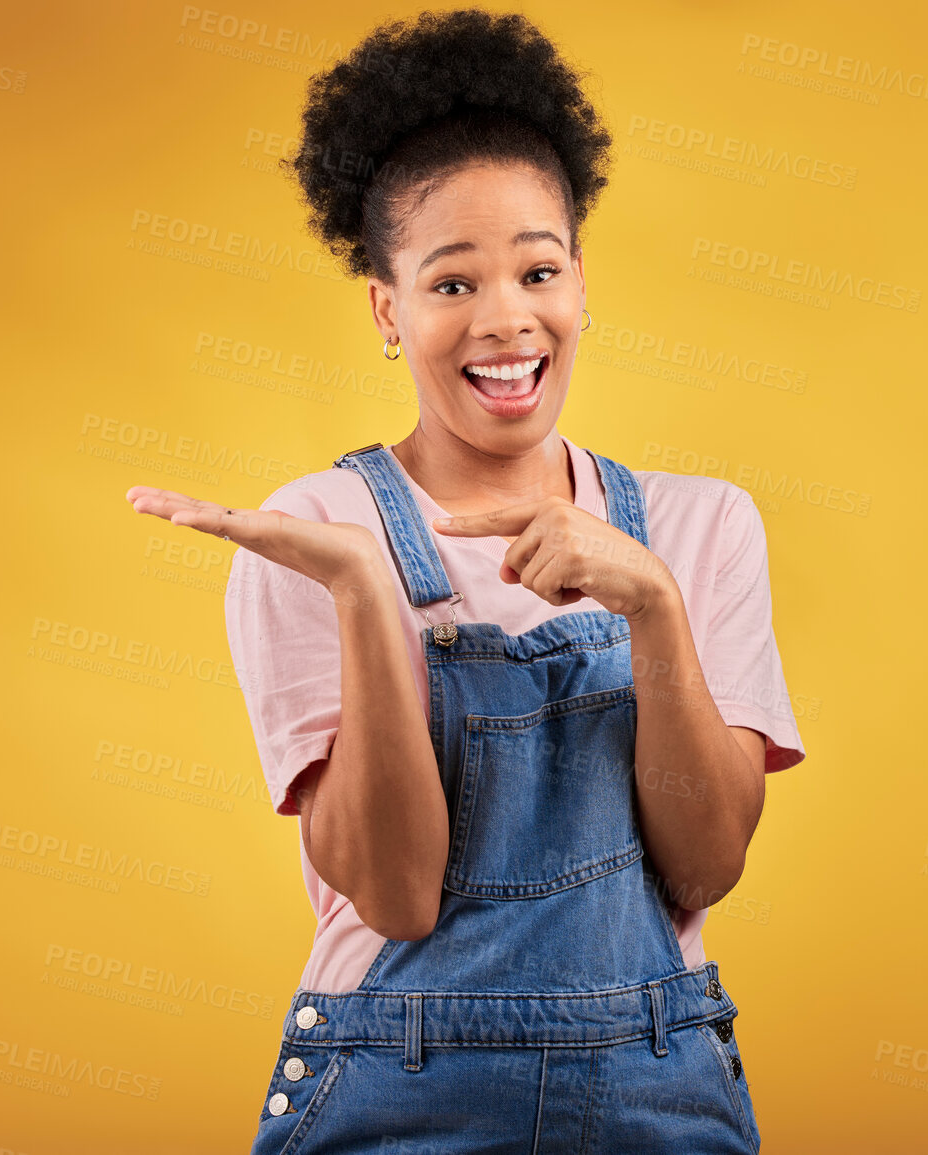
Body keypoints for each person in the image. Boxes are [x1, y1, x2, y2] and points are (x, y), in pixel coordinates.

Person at [126, 9, 806, 1151]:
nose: (506, 320)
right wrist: (361, 593)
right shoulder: (317, 528)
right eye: (451, 285)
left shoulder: (701, 529)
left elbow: (707, 862)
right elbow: (395, 895)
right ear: (389, 311)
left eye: (538, 270)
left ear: (582, 285)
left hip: (659, 1083)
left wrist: (652, 605)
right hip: (400, 1081)